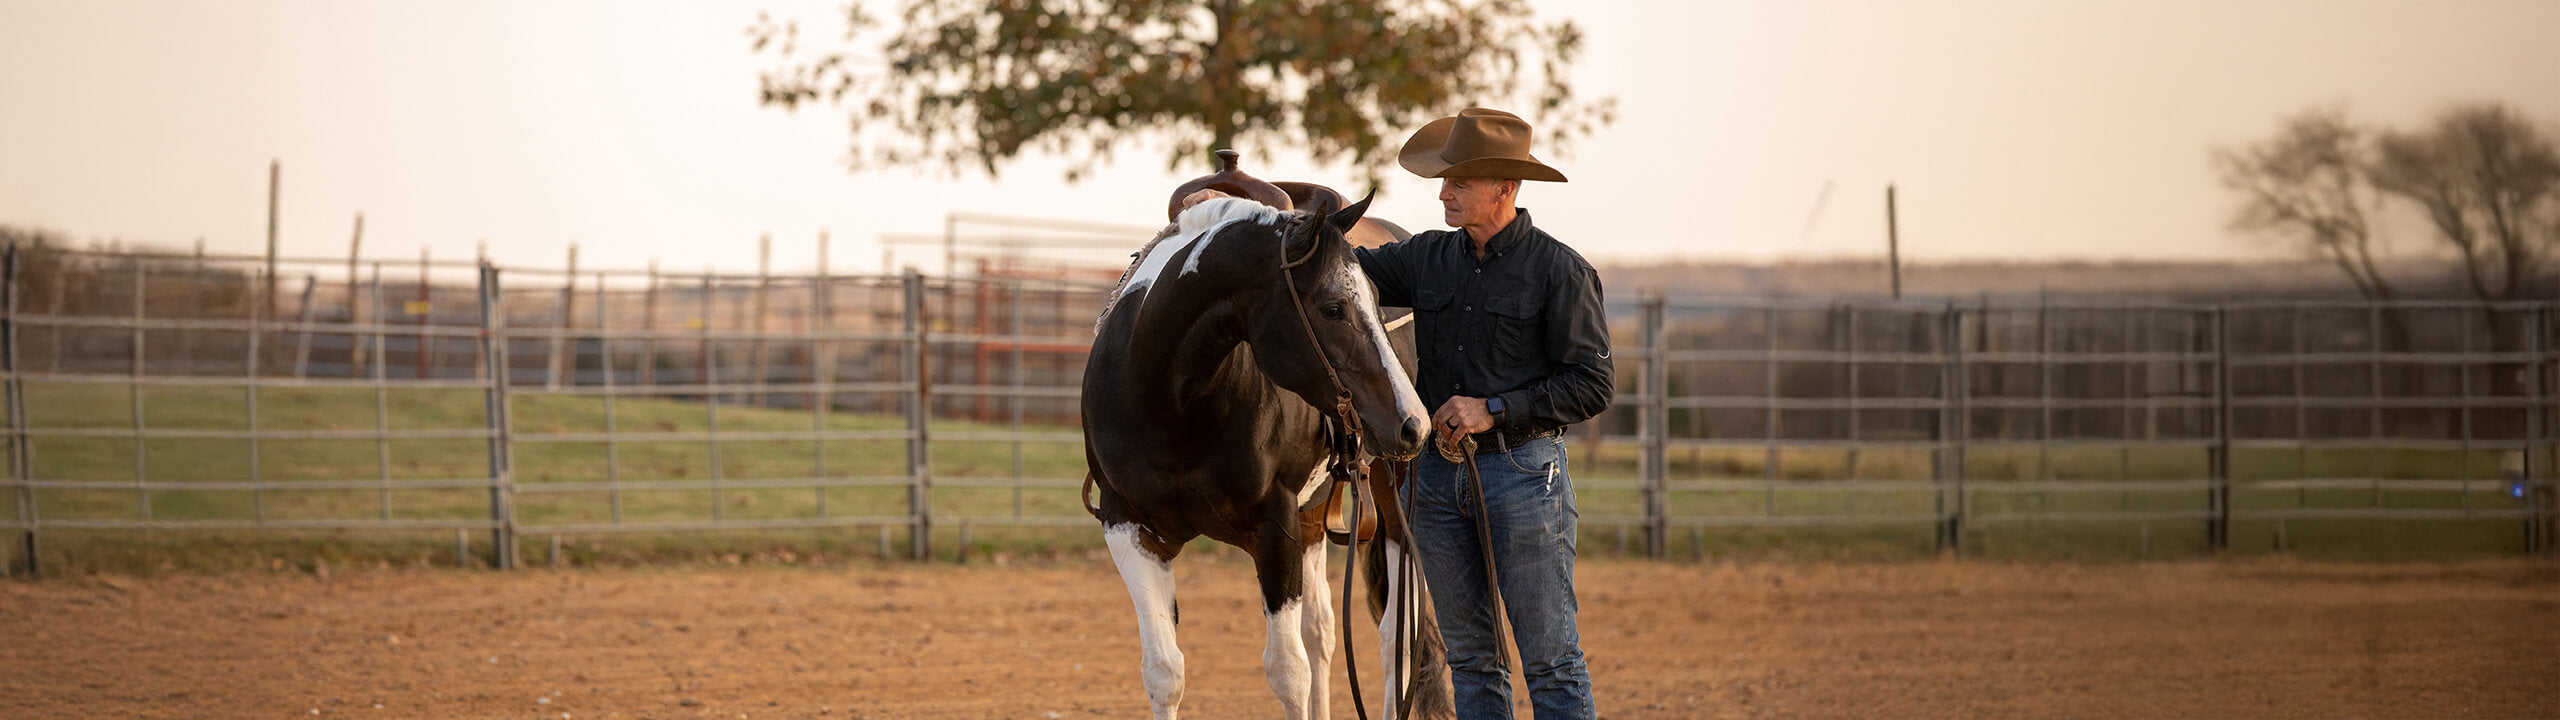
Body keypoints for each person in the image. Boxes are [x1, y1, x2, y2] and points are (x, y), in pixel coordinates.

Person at [1353, 107, 1613, 719]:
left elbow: (1593, 383)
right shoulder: (1424, 259)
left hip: (1522, 477)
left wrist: (1494, 409)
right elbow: (1339, 267)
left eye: (1461, 182)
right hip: (1435, 484)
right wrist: (1263, 217)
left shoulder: (1560, 270)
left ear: (1505, 187)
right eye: (1445, 181)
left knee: (1550, 660)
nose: (1444, 193)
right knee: (1471, 660)